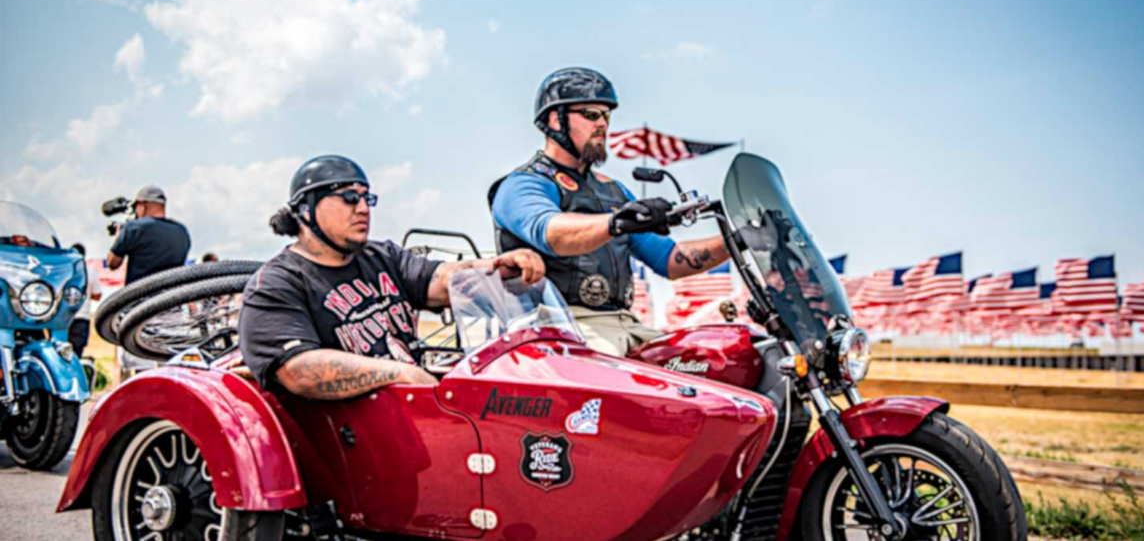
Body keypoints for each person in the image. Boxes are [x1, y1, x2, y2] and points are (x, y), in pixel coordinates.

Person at [238, 155, 545, 399]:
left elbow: (440, 278)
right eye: (348, 197)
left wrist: (498, 267)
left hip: (405, 419)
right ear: (306, 210)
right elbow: (300, 371)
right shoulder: (276, 283)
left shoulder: (382, 257)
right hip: (342, 444)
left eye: (367, 199)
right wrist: (401, 373)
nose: (362, 209)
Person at [488, 67, 730, 357]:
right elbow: (552, 232)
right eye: (591, 114)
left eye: (607, 116)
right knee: (614, 379)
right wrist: (618, 222)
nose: (603, 124)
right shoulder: (524, 184)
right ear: (555, 119)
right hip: (558, 327)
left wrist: (737, 239)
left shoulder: (614, 192)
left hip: (625, 325)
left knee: (710, 364)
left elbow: (669, 259)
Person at [107, 185, 191, 285]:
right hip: (172, 296)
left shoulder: (133, 228)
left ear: (142, 206)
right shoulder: (181, 231)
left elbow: (112, 263)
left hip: (139, 296)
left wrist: (118, 237)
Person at [66, 243, 103, 357]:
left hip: (64, 318)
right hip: (82, 317)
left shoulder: (64, 272)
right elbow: (97, 296)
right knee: (77, 353)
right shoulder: (91, 273)